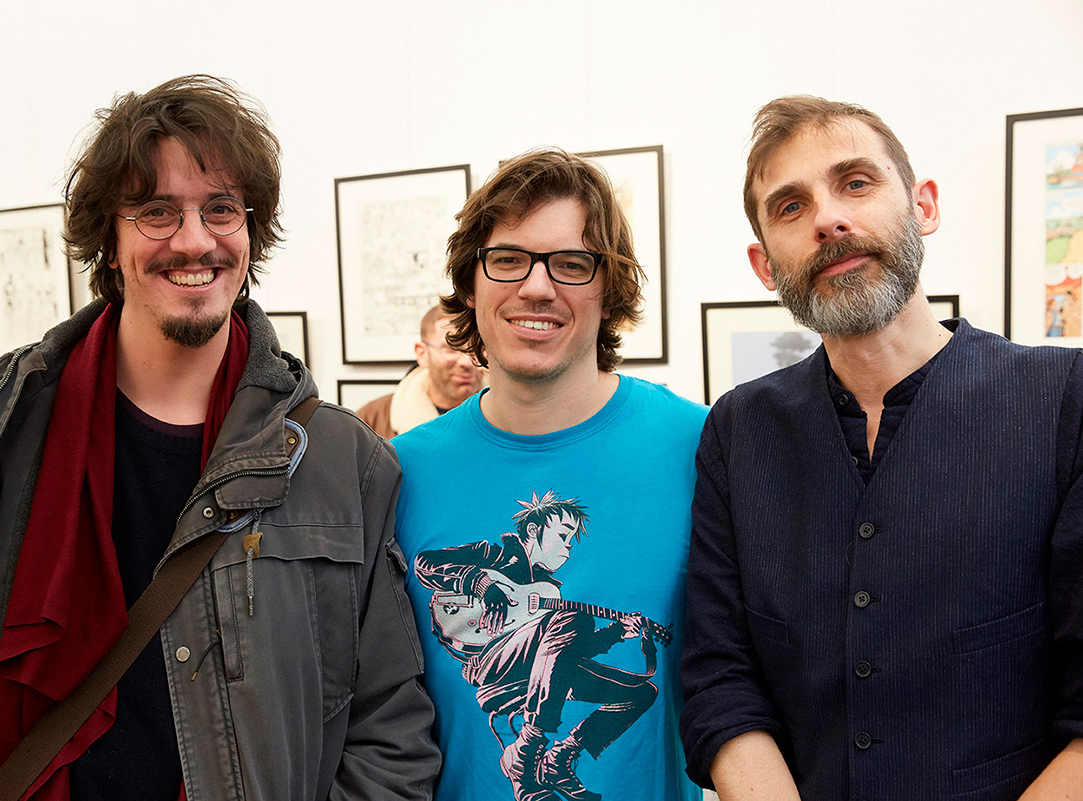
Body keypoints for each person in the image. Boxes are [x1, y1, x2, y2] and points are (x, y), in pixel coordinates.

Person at [0, 75, 438, 801]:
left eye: (221, 209)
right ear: (109, 244)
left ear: (251, 233)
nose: (195, 240)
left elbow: (390, 726)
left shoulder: (340, 461)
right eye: (156, 211)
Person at [679, 95, 1083, 800]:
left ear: (923, 206)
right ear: (765, 265)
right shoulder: (740, 429)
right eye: (791, 207)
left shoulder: (1063, 401)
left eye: (856, 182)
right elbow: (721, 678)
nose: (828, 219)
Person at [393, 148, 708, 801]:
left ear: (609, 291)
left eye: (571, 264)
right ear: (471, 284)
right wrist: (486, 581)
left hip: (556, 670)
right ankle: (529, 748)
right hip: (498, 671)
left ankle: (559, 755)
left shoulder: (698, 445)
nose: (537, 288)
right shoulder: (402, 468)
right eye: (508, 259)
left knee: (634, 689)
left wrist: (628, 629)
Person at [356, 304, 485, 438]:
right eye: (451, 349)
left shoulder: (500, 417)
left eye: (475, 348)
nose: (467, 362)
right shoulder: (372, 420)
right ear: (422, 354)